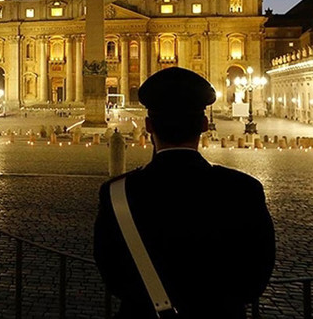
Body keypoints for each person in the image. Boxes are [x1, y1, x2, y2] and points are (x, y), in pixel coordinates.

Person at [94, 67, 275, 318]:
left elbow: (112, 275)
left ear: (148, 125)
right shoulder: (243, 190)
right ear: (203, 125)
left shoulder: (117, 192)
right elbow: (257, 275)